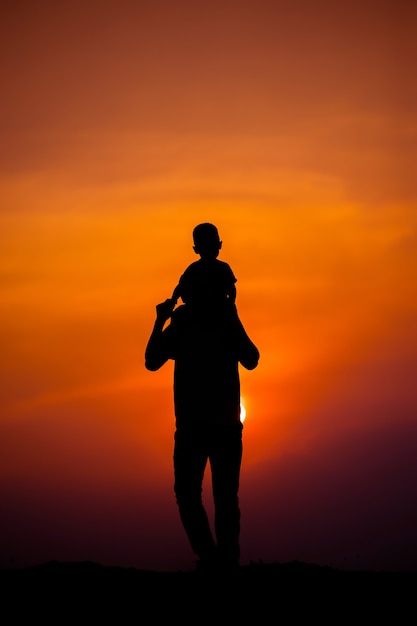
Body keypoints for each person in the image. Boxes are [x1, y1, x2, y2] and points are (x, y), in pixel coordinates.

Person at [145, 287, 259, 572]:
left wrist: (160, 319)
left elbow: (152, 360)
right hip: (221, 428)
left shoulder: (185, 320)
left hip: (194, 425)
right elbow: (252, 359)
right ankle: (222, 561)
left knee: (190, 494)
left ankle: (212, 560)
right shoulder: (219, 320)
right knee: (223, 498)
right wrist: (233, 316)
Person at [172, 223, 237, 308]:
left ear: (219, 245)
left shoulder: (223, 268)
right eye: (205, 246)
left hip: (219, 306)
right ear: (196, 249)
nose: (209, 249)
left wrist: (230, 303)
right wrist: (173, 300)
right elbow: (181, 287)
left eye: (211, 245)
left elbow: (231, 288)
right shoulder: (193, 269)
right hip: (195, 307)